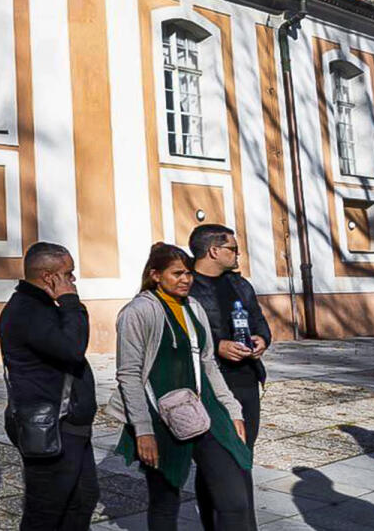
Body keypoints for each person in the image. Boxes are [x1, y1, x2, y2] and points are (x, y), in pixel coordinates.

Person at [107, 243, 255, 531]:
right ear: (155, 275)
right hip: (159, 415)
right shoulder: (138, 311)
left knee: (234, 499)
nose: (186, 279)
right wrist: (143, 430)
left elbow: (208, 363)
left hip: (205, 408)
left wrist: (232, 409)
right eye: (177, 273)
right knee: (165, 501)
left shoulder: (193, 307)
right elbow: (129, 374)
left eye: (188, 273)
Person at [0, 242, 99, 530]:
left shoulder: (41, 307)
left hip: (68, 424)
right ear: (48, 276)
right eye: (68, 273)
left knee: (81, 500)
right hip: (50, 428)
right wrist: (70, 302)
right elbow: (72, 348)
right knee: (46, 513)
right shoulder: (28, 311)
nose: (73, 280)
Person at [188, 224, 271, 531]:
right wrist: (217, 345)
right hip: (210, 385)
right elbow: (183, 335)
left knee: (242, 455)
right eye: (233, 249)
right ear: (214, 251)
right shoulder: (187, 286)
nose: (238, 254)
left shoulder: (240, 284)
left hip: (246, 380)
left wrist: (262, 339)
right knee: (216, 461)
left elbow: (259, 322)